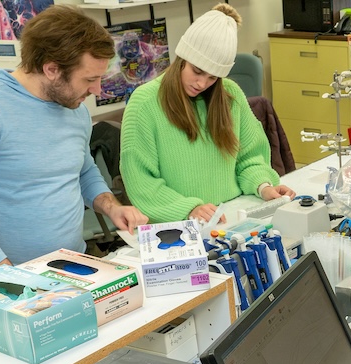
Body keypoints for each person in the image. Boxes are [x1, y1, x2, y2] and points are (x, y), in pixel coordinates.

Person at [0, 5, 147, 276]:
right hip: (4, 278)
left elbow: (83, 171)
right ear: (51, 69)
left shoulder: (75, 109)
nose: (96, 90)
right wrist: (8, 277)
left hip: (73, 266)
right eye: (90, 79)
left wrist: (112, 208)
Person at [120, 4, 294, 224]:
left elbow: (249, 158)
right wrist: (189, 209)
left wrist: (263, 186)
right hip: (178, 224)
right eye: (197, 71)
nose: (202, 83)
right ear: (182, 59)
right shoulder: (144, 104)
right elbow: (141, 181)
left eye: (213, 77)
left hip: (231, 215)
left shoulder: (230, 95)